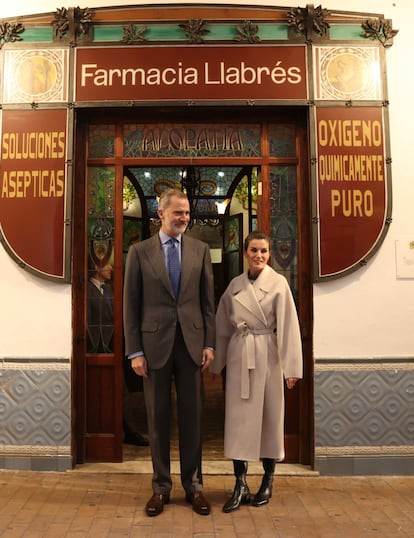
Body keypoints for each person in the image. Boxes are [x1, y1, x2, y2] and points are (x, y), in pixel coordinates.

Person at [123, 188, 215, 517]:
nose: (185, 218)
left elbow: (208, 304)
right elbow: (130, 306)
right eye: (178, 212)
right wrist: (134, 350)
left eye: (187, 213)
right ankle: (161, 487)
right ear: (161, 214)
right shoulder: (139, 252)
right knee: (158, 420)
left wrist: (209, 343)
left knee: (193, 418)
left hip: (191, 346)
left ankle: (194, 486)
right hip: (153, 347)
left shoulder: (200, 250)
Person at [210, 231, 303, 512]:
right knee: (238, 421)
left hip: (268, 356)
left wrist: (292, 368)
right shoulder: (235, 285)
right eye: (253, 250)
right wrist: (217, 364)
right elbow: (223, 327)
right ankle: (240, 483)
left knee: (270, 419)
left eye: (263, 250)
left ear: (269, 253)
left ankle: (268, 478)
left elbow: (288, 326)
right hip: (241, 355)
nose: (258, 255)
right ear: (245, 252)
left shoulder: (279, 284)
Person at [87, 258, 149, 446]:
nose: (111, 268)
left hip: (116, 348)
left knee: (122, 392)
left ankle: (127, 431)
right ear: (96, 267)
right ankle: (117, 433)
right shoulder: (88, 291)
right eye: (106, 265)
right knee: (114, 393)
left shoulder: (110, 289)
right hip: (98, 350)